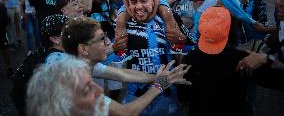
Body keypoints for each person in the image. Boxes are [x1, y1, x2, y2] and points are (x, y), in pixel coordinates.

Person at [114, 0, 196, 115]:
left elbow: (192, 46)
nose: (139, 7)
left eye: (144, 0)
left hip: (167, 93)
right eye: (133, 2)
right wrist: (117, 48)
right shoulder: (123, 23)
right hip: (136, 95)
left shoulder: (169, 18)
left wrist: (183, 39)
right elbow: (118, 56)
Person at [27, 55, 188, 116]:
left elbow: (122, 74)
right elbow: (125, 112)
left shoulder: (79, 67)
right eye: (87, 88)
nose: (99, 89)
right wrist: (159, 85)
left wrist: (157, 77)